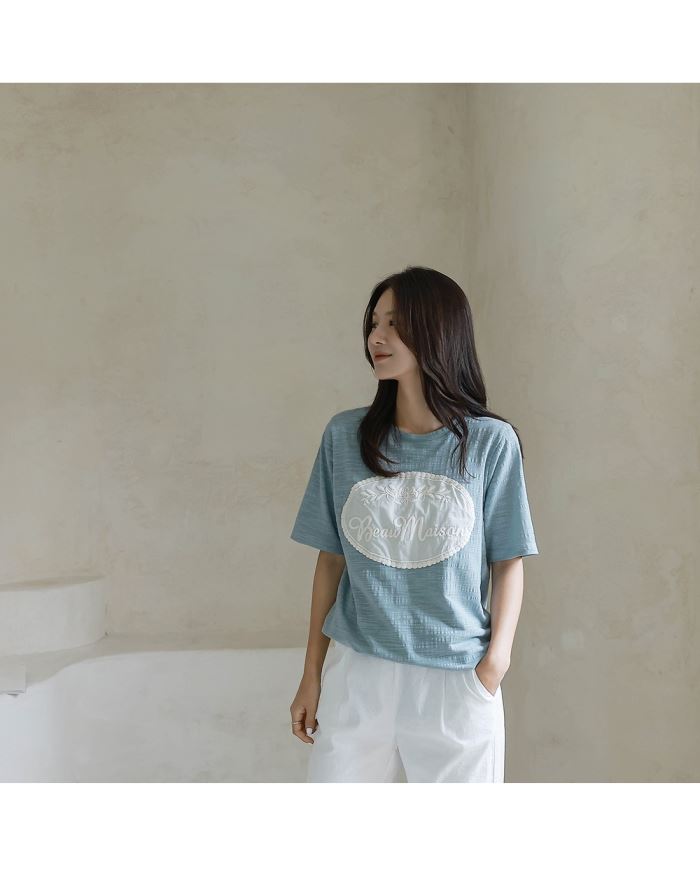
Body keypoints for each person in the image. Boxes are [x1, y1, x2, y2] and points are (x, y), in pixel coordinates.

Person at [288, 265, 540, 783]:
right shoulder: (345, 437)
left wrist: (495, 664)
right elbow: (330, 561)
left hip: (456, 678)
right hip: (360, 672)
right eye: (374, 324)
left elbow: (508, 561)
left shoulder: (489, 443)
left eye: (395, 324)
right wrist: (311, 674)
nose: (376, 338)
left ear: (438, 331)